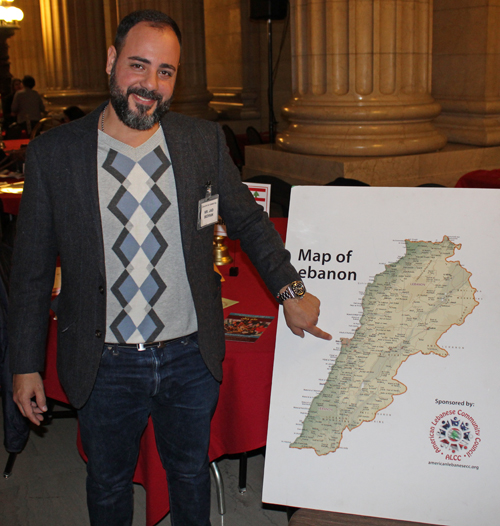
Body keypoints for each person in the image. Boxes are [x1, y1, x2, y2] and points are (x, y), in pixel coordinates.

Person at [9, 9, 331, 526]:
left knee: (189, 475)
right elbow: (30, 269)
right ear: (112, 61)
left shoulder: (200, 141)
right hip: (104, 359)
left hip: (188, 354)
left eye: (166, 72)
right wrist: (25, 363)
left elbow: (248, 221)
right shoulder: (57, 153)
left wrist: (291, 290)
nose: (151, 85)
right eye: (139, 66)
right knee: (109, 484)